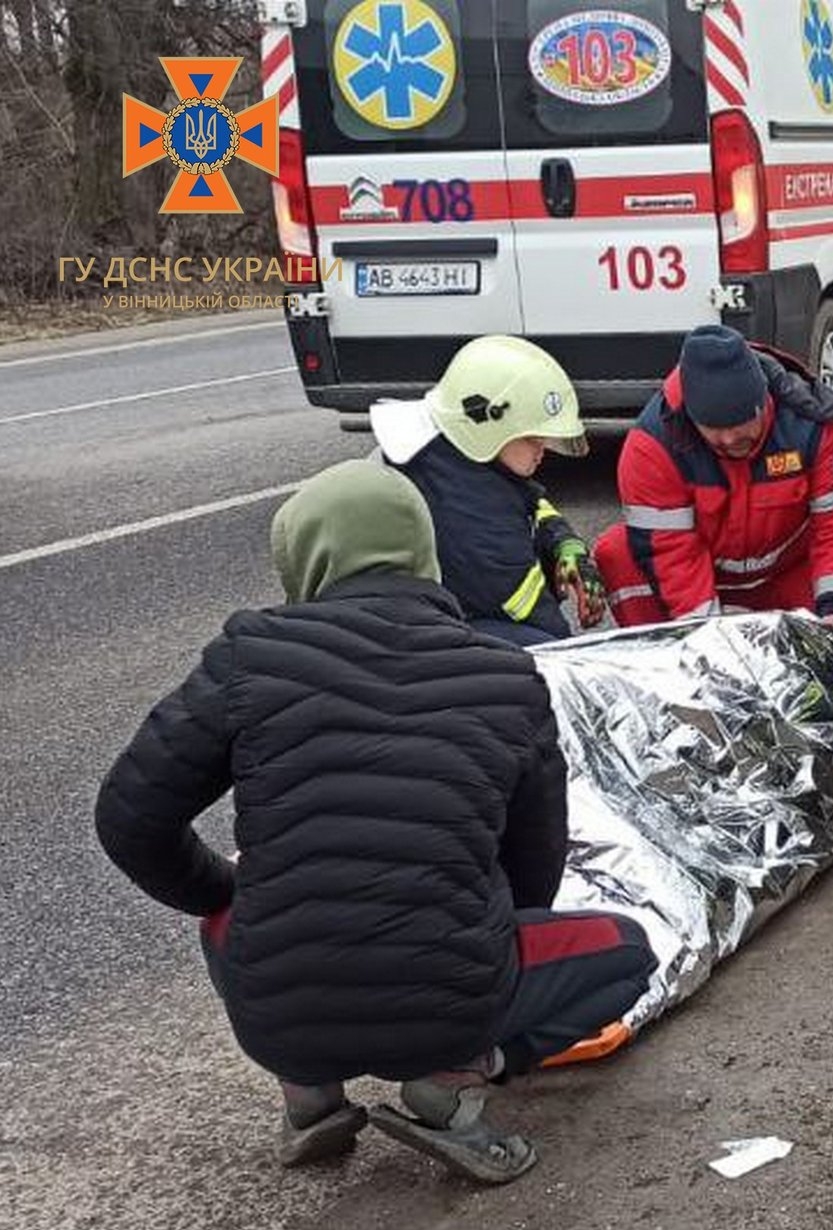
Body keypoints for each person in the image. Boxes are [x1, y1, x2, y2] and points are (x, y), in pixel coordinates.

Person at [93, 461, 655, 1185]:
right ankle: (454, 1080)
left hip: (279, 1011)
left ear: (303, 557)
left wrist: (223, 887)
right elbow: (537, 856)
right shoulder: (506, 677)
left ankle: (308, 1094)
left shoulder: (251, 655)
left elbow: (128, 817)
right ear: (425, 553)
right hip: (452, 1004)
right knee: (628, 950)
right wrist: (473, 942)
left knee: (228, 913)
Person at [593, 326, 833, 637]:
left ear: (765, 402)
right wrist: (711, 642)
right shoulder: (653, 447)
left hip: (784, 574)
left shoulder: (811, 426)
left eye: (740, 425)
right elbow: (670, 554)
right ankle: (662, 663)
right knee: (616, 552)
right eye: (714, 429)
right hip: (708, 581)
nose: (729, 438)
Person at [373, 334, 605, 647]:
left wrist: (565, 543)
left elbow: (530, 502)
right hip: (412, 635)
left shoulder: (457, 451)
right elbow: (528, 612)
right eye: (533, 439)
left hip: (410, 613)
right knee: (534, 652)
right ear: (487, 422)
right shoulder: (467, 506)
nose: (542, 451)